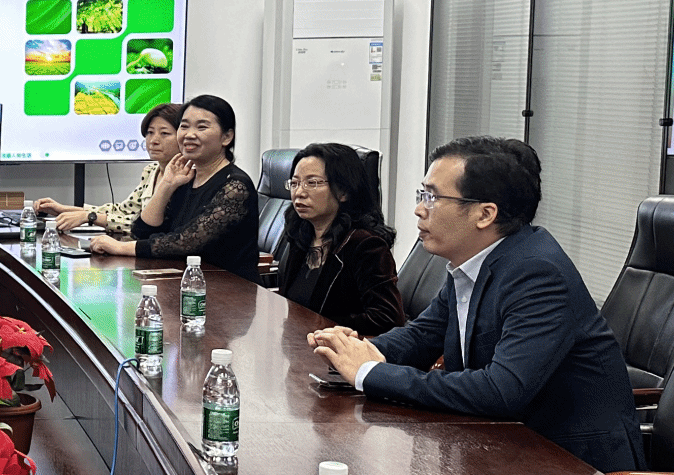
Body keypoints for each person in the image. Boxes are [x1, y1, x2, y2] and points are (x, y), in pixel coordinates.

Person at [311, 136, 645, 471]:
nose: (419, 209)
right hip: (503, 450)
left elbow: (501, 390)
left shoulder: (537, 273)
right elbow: (422, 335)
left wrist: (371, 372)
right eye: (421, 194)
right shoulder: (476, 262)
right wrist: (354, 352)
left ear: (485, 214)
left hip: (574, 469)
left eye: (432, 197)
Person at [91, 94, 260, 281]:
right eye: (184, 126)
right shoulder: (185, 179)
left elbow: (187, 242)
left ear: (226, 137)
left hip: (230, 288)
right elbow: (141, 232)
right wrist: (166, 185)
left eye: (201, 127)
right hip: (183, 281)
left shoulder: (235, 186)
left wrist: (120, 247)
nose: (189, 135)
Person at [270, 143, 405, 335]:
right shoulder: (300, 233)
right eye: (294, 183)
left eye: (312, 183)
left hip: (333, 348)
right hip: (297, 341)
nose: (299, 192)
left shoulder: (365, 245)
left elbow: (388, 318)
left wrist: (322, 327)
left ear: (343, 191)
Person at [35, 102, 183, 234]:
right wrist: (63, 209)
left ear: (183, 136)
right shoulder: (151, 171)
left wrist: (90, 217)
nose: (153, 140)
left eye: (164, 133)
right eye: (150, 132)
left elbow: (145, 227)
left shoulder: (185, 177)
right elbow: (123, 211)